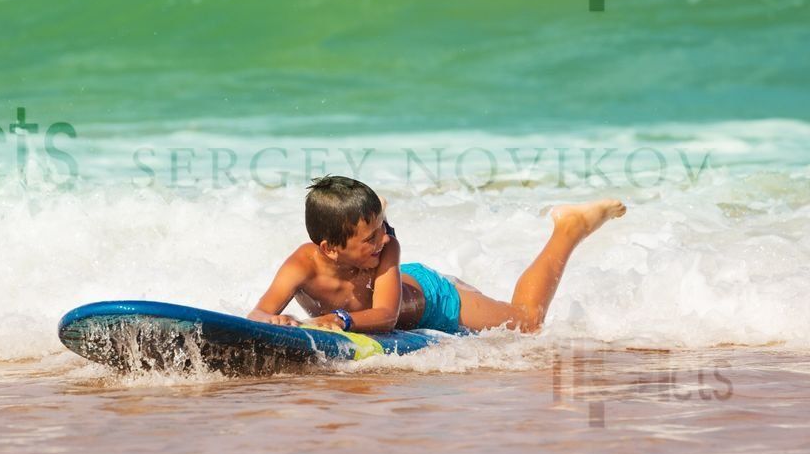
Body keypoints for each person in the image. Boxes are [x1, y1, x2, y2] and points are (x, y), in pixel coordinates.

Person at [246, 175, 626, 334]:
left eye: (381, 229)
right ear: (329, 248)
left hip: (434, 299)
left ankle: (570, 227)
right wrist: (275, 321)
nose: (383, 240)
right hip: (391, 287)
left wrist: (340, 320)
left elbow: (385, 316)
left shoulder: (387, 248)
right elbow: (259, 314)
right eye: (369, 236)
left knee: (526, 323)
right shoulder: (303, 264)